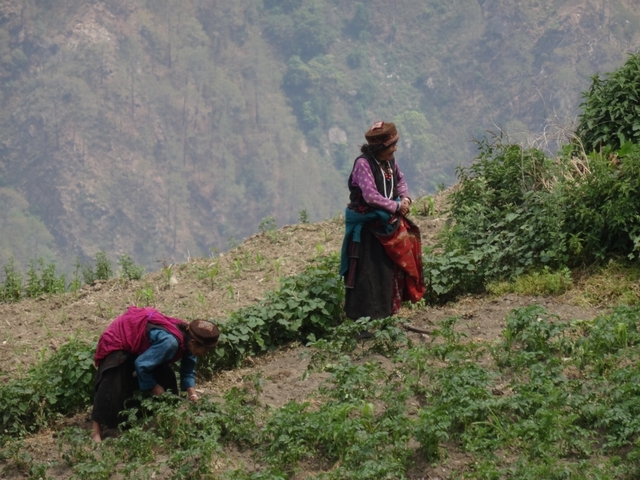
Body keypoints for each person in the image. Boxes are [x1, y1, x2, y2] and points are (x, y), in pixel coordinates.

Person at [90, 306, 220, 442]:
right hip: (120, 338)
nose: (205, 354)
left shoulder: (191, 340)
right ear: (193, 343)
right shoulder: (170, 343)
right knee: (112, 382)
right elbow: (141, 364)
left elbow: (188, 369)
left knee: (167, 379)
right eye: (205, 350)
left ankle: (154, 416)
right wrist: (153, 387)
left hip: (141, 344)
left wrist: (192, 394)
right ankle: (96, 431)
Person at [340, 121, 425, 324]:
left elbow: (400, 181)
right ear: (379, 147)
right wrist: (396, 207)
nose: (394, 149)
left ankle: (385, 315)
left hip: (386, 224)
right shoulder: (363, 164)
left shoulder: (389, 162)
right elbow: (370, 196)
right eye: (391, 145)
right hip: (367, 229)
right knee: (366, 274)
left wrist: (405, 198)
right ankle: (363, 321)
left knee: (385, 272)